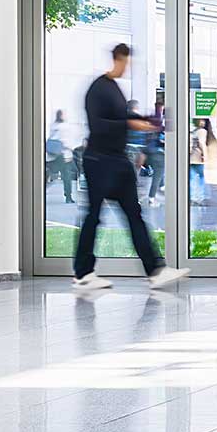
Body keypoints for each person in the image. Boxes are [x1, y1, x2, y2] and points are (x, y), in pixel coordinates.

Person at [72, 44, 186, 295]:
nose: (128, 68)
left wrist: (146, 121)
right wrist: (130, 123)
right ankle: (83, 273)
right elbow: (100, 125)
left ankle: (155, 270)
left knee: (134, 215)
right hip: (100, 162)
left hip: (117, 161)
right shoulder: (98, 88)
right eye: (126, 62)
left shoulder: (114, 88)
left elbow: (122, 117)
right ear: (118, 59)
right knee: (93, 216)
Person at [46, 109, 77, 203]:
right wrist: (70, 148)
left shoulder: (53, 125)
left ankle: (40, 191)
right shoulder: (65, 127)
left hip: (53, 155)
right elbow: (67, 142)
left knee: (51, 174)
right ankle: (68, 197)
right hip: (64, 155)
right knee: (66, 177)